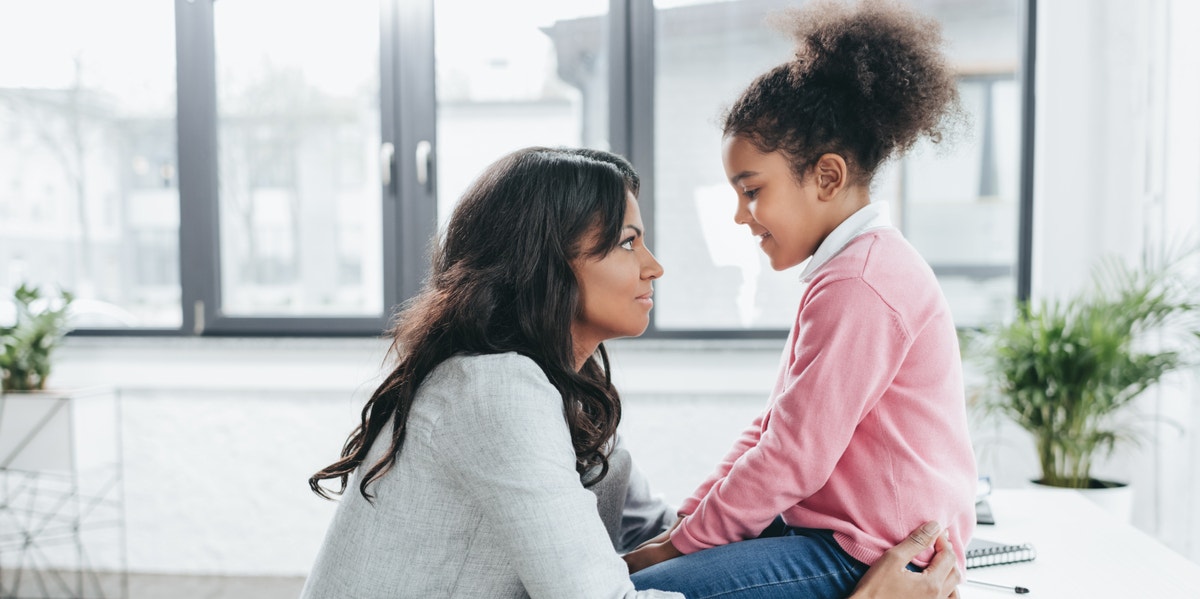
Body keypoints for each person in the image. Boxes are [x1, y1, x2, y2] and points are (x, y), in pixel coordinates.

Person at [299, 146, 961, 598]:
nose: (654, 265)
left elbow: (665, 539)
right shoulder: (495, 392)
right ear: (546, 265)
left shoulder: (558, 399)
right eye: (625, 242)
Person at [623, 1, 978, 597]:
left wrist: (678, 545)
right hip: (835, 536)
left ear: (828, 177)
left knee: (644, 591)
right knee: (645, 571)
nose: (741, 216)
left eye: (752, 191)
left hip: (868, 554)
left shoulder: (861, 283)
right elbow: (773, 429)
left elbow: (791, 456)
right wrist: (688, 522)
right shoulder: (849, 270)